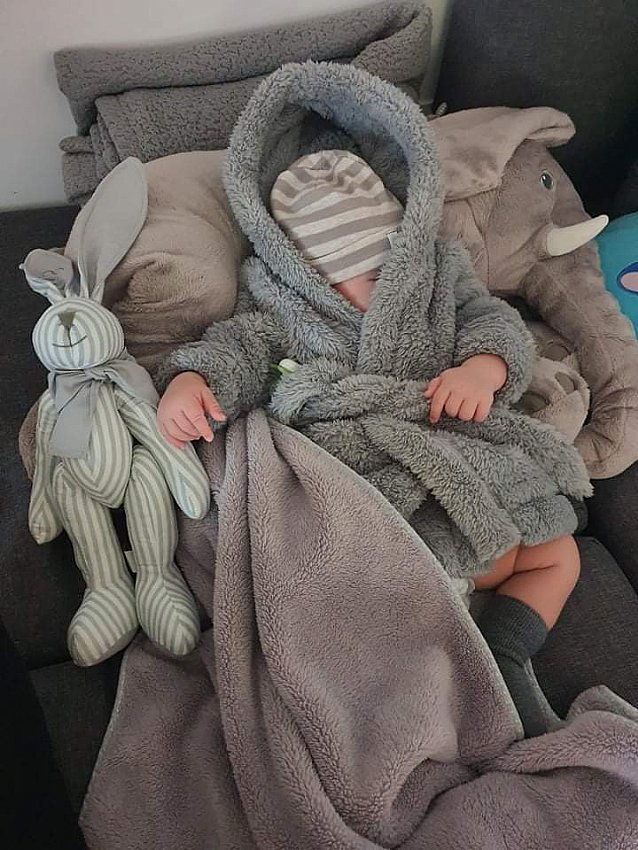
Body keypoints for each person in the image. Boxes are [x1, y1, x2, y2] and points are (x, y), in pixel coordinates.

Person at [156, 148, 583, 737]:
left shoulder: (437, 273)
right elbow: (239, 350)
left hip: (455, 452)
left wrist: (482, 369)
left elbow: (493, 318)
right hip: (376, 480)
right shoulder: (283, 307)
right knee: (370, 577)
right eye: (371, 279)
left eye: (394, 266)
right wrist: (192, 381)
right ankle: (426, 658)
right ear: (314, 280)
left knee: (560, 554)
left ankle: (505, 650)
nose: (391, 289)